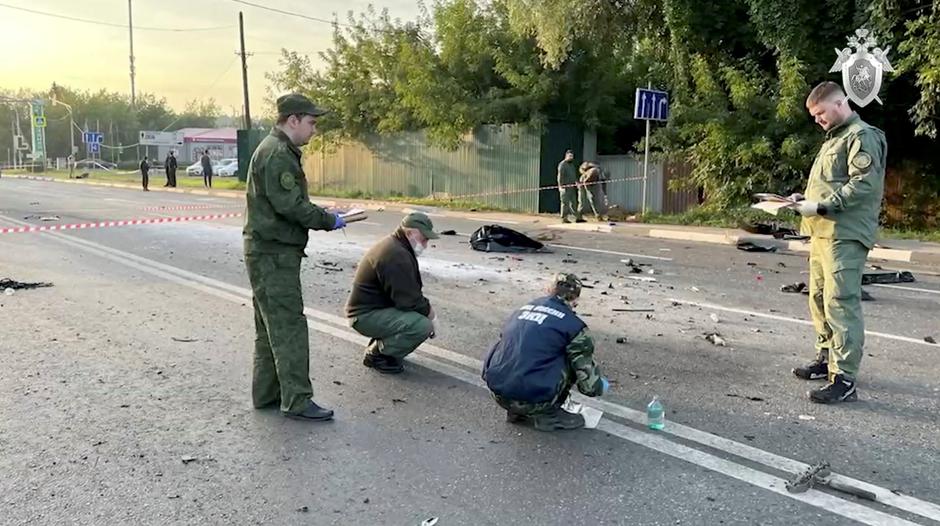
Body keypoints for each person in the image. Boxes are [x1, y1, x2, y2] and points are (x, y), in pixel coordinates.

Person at [243, 93, 345, 422]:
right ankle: (297, 400)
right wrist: (329, 220)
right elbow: (291, 206)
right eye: (312, 122)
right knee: (288, 327)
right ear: (293, 120)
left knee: (268, 327)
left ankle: (267, 394)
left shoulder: (274, 149)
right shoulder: (277, 155)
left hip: (266, 251)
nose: (314, 130)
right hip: (274, 254)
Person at [789, 81, 887, 404]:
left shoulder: (862, 136)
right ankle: (826, 358)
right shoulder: (835, 139)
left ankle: (844, 378)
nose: (817, 120)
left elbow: (863, 185)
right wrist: (803, 200)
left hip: (845, 234)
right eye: (814, 115)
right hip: (823, 233)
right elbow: (828, 186)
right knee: (818, 297)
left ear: (840, 103)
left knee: (840, 301)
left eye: (820, 113)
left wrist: (823, 205)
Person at [482, 273, 609, 431]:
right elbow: (589, 387)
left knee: (517, 346)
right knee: (571, 356)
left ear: (548, 289)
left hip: (499, 395)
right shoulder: (574, 327)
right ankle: (548, 415)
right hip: (536, 401)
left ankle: (516, 411)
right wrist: (599, 385)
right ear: (575, 300)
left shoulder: (520, 311)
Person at [345, 212, 438, 374]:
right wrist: (432, 317)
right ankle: (378, 355)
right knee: (421, 326)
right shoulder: (396, 254)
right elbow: (410, 301)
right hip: (364, 316)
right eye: (424, 239)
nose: (425, 244)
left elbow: (407, 293)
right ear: (409, 233)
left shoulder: (397, 245)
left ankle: (384, 342)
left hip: (373, 309)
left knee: (419, 316)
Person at [557, 150, 583, 223]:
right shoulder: (562, 164)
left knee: (574, 203)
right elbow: (560, 176)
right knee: (565, 203)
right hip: (565, 187)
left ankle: (577, 217)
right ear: (566, 156)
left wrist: (577, 183)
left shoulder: (571, 165)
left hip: (572, 187)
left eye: (572, 156)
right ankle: (564, 218)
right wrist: (560, 186)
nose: (571, 158)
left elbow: (574, 176)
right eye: (569, 156)